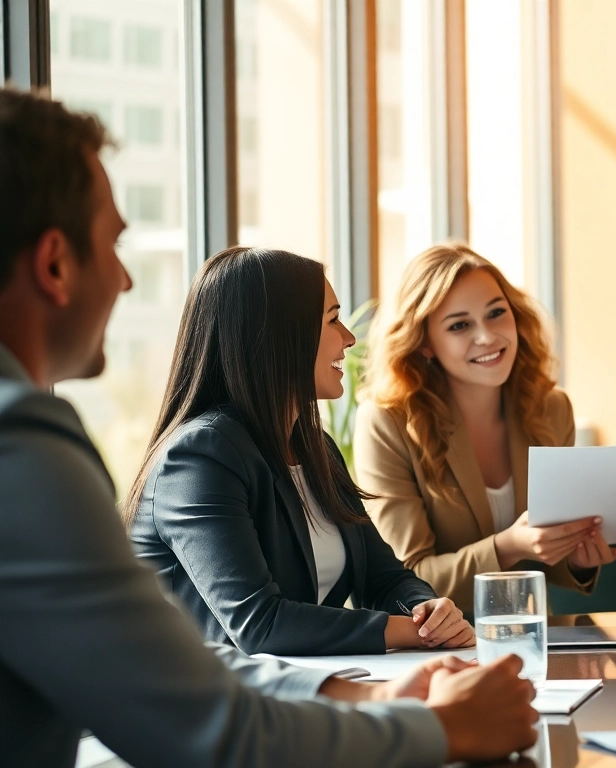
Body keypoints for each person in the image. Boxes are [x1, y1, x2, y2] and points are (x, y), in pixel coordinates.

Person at [0, 86, 536, 767]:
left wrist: (381, 673)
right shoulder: (35, 450)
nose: (128, 281)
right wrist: (436, 723)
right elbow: (214, 688)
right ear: (54, 263)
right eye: (114, 244)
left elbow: (202, 668)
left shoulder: (309, 446)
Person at [126, 246, 474, 656]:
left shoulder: (315, 450)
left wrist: (425, 612)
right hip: (204, 708)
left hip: (299, 692)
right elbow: (259, 624)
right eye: (332, 320)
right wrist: (407, 632)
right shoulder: (200, 457)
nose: (349, 338)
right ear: (277, 335)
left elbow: (385, 578)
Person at [356, 244, 616, 613]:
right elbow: (407, 578)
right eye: (459, 325)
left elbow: (548, 565)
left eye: (496, 313)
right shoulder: (386, 421)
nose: (487, 337)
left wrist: (578, 558)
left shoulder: (551, 409)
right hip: (436, 647)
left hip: (536, 636)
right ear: (424, 343)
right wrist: (509, 546)